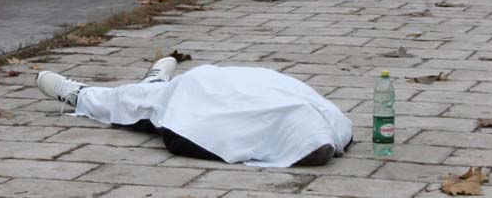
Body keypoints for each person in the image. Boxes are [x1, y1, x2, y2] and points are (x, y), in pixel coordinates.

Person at [37, 57, 353, 167]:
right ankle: (87, 94)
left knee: (150, 105)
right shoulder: (337, 124)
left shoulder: (335, 128)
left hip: (201, 97)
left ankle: (83, 95)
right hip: (224, 82)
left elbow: (178, 136)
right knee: (156, 99)